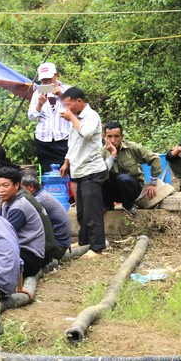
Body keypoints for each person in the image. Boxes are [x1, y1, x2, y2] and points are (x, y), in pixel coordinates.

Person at [59, 87, 107, 258]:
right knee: (82, 211)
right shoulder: (77, 119)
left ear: (79, 102)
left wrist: (71, 117)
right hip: (78, 170)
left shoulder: (91, 116)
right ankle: (84, 241)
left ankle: (98, 247)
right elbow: (73, 143)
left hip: (92, 170)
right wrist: (66, 162)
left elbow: (86, 133)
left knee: (92, 211)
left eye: (69, 105)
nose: (67, 109)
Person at [0, 167, 45, 277]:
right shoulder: (6, 203)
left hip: (30, 258)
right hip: (19, 251)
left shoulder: (19, 207)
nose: (1, 190)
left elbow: (3, 236)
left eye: (5, 186)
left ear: (16, 186)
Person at [101, 121, 162, 215]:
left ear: (122, 136)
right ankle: (107, 205)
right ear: (105, 137)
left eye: (116, 136)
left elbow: (155, 159)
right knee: (99, 178)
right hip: (114, 191)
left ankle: (128, 205)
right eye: (109, 136)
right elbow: (100, 174)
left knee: (123, 178)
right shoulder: (103, 152)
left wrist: (153, 183)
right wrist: (112, 155)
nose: (113, 140)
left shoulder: (132, 148)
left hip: (132, 189)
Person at [27, 62, 72, 173]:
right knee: (47, 172)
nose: (47, 82)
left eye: (49, 79)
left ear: (55, 75)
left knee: (66, 171)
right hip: (43, 139)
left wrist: (62, 96)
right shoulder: (38, 92)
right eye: (43, 80)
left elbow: (75, 110)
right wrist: (39, 105)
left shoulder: (68, 90)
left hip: (63, 138)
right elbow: (31, 116)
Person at [21, 174, 72, 256]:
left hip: (58, 247)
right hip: (62, 243)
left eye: (23, 188)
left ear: (30, 186)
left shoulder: (39, 200)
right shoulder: (43, 195)